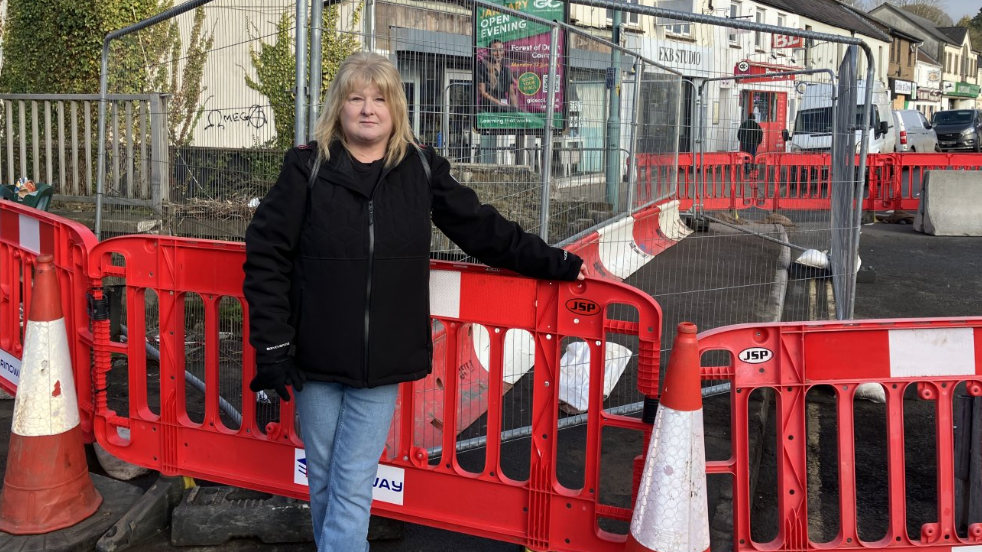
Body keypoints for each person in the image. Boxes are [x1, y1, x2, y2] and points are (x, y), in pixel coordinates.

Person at [242, 52, 585, 552]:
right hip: (313, 358)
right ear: (338, 107)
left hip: (383, 359)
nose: (367, 109)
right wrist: (273, 345)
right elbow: (267, 253)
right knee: (323, 478)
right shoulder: (307, 168)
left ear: (396, 108)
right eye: (355, 97)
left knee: (353, 480)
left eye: (379, 98)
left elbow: (481, 229)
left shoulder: (420, 167)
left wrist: (552, 261)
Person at [477, 39, 517, 111]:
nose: (498, 53)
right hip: (487, 111)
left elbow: (512, 94)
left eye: (501, 50)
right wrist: (499, 103)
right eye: (495, 50)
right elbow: (482, 92)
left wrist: (516, 111)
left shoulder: (506, 71)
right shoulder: (481, 67)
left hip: (503, 110)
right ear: (489, 52)